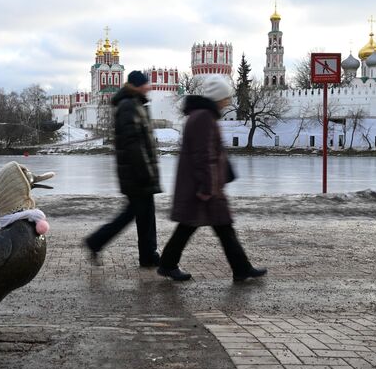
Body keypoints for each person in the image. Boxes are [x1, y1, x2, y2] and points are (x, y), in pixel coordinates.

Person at [157, 75, 267, 282]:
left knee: (212, 227)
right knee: (203, 227)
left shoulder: (201, 116)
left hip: (202, 184)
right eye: (226, 97)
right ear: (218, 98)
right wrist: (208, 187)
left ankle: (240, 268)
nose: (228, 102)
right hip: (203, 187)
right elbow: (204, 156)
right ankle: (240, 268)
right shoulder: (204, 118)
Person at [84, 71, 162, 267]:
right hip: (137, 173)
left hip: (138, 172)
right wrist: (145, 172)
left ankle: (148, 255)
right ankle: (95, 241)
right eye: (145, 83)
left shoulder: (136, 104)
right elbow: (133, 143)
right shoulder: (129, 106)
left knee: (144, 215)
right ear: (136, 85)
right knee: (134, 214)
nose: (148, 86)